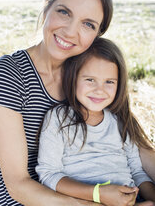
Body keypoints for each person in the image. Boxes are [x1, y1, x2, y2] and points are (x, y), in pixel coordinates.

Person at [0, 0, 154, 206]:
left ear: (98, 33)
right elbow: (18, 185)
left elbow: (138, 150)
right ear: (47, 4)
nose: (70, 31)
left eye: (88, 24)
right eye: (64, 12)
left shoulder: (92, 77)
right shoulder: (9, 73)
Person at [36, 37, 155, 206]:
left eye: (109, 82)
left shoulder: (119, 121)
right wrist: (98, 194)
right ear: (73, 77)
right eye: (90, 80)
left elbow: (137, 171)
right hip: (85, 201)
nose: (99, 90)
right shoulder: (59, 118)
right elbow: (49, 175)